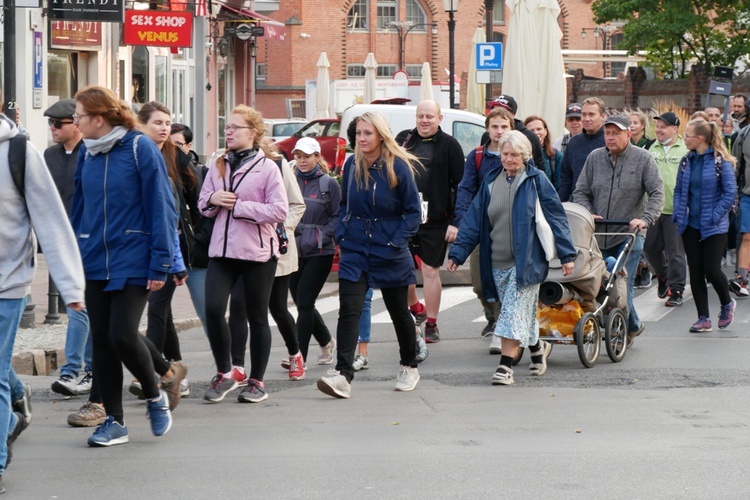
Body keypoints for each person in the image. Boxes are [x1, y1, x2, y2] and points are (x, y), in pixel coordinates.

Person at [71, 86, 175, 447]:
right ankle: (114, 421)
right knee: (100, 339)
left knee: (122, 333)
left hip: (135, 256)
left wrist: (161, 261)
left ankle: (154, 395)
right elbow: (79, 209)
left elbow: (161, 204)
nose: (75, 122)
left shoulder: (137, 146)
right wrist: (72, 254)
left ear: (98, 118)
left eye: (79, 116)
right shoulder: (88, 152)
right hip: (94, 258)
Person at [447, 131, 576, 385]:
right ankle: (538, 347)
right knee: (517, 314)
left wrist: (567, 254)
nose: (508, 158)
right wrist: (458, 252)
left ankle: (505, 367)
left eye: (514, 154)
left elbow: (556, 217)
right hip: (496, 261)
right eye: (505, 154)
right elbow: (473, 221)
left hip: (526, 261)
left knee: (510, 314)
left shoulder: (536, 180)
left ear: (525, 155)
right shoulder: (491, 181)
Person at [0, 112, 85, 493]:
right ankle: (19, 394)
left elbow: (50, 220)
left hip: (6, 283)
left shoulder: (19, 151)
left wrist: (70, 288)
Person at [316, 111, 421, 399]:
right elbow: (345, 204)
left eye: (367, 133)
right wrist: (343, 234)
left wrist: (395, 241)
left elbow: (413, 212)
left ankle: (409, 365)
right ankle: (343, 374)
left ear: (381, 136)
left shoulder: (398, 166)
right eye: (358, 133)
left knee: (399, 311)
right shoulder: (352, 164)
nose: (361, 138)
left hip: (389, 247)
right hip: (356, 246)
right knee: (349, 309)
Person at [198, 105, 288, 404]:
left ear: (253, 132)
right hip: (222, 252)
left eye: (236, 127)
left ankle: (257, 381)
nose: (229, 131)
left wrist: (239, 207)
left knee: (257, 316)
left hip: (257, 253)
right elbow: (202, 202)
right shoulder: (218, 163)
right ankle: (227, 372)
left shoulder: (268, 168)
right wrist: (212, 198)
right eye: (228, 126)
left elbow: (279, 211)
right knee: (212, 308)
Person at [572, 115, 665, 347]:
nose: (610, 138)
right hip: (598, 233)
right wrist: (587, 212)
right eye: (607, 133)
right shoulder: (594, 158)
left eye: (616, 133)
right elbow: (581, 191)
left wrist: (645, 219)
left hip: (629, 233)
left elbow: (657, 193)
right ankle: (630, 324)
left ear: (628, 134)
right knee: (597, 284)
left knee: (621, 284)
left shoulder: (643, 159)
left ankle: (623, 327)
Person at [135, 102, 196, 406]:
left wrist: (181, 258)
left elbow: (191, 209)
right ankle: (175, 371)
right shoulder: (135, 155)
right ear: (141, 124)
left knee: (157, 309)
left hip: (170, 248)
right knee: (164, 315)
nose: (164, 128)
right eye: (157, 122)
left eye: (167, 123)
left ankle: (151, 373)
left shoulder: (177, 159)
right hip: (144, 249)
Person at [229, 150, 307, 381]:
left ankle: (295, 353)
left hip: (276, 247)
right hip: (242, 248)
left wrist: (283, 228)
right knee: (239, 306)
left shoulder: (276, 163)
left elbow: (297, 204)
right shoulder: (230, 162)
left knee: (277, 307)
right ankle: (238, 366)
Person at [395, 99, 465, 343]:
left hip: (436, 218)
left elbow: (460, 187)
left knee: (429, 271)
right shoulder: (404, 140)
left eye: (430, 117)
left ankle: (432, 323)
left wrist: (456, 221)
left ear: (439, 119)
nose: (425, 121)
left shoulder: (450, 145)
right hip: (405, 217)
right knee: (401, 270)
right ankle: (416, 307)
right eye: (420, 116)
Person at [42, 99, 93, 397]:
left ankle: (75, 370)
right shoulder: (49, 156)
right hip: (59, 242)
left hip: (87, 242)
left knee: (78, 307)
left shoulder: (93, 153)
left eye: (58, 123)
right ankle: (88, 369)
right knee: (83, 310)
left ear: (76, 123)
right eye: (50, 123)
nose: (53, 128)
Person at [455, 107, 515, 338]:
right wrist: (462, 222)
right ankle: (492, 316)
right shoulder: (477, 156)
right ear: (487, 129)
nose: (499, 131)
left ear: (511, 128)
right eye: (495, 127)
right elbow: (466, 189)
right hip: (482, 226)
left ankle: (504, 323)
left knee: (508, 279)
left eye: (504, 127)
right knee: (480, 283)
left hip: (509, 227)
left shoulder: (517, 154)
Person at [673, 119, 738, 332]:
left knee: (711, 269)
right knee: (696, 270)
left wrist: (714, 216)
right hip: (690, 224)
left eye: (687, 136)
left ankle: (726, 304)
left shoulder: (721, 162)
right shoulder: (686, 161)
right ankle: (703, 318)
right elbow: (679, 191)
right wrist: (678, 213)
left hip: (714, 226)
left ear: (699, 138)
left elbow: (730, 193)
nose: (684, 139)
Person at [288, 137, 340, 373]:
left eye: (307, 156)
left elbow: (338, 216)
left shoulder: (329, 184)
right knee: (301, 302)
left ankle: (298, 357)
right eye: (298, 156)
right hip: (291, 251)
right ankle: (327, 342)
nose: (302, 161)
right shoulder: (288, 180)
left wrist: (323, 236)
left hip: (320, 251)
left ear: (318, 157)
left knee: (305, 302)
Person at [644, 112, 689, 307]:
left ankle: (677, 290)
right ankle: (663, 274)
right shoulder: (650, 148)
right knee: (650, 248)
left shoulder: (685, 149)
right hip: (653, 209)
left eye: (663, 126)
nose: (659, 130)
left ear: (674, 129)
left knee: (676, 252)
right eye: (658, 126)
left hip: (676, 209)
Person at [559, 97, 607, 202]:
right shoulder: (574, 143)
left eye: (591, 114)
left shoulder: (610, 142)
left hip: (605, 206)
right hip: (579, 204)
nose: (586, 118)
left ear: (602, 116)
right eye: (584, 114)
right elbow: (566, 180)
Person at [484, 94, 545, 169]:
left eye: (501, 111)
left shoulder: (529, 137)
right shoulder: (487, 136)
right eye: (494, 110)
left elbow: (539, 165)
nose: (497, 113)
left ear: (512, 115)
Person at [524, 115, 562, 189]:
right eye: (531, 130)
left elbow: (560, 185)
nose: (535, 133)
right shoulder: (519, 155)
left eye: (539, 129)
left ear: (545, 131)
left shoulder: (555, 156)